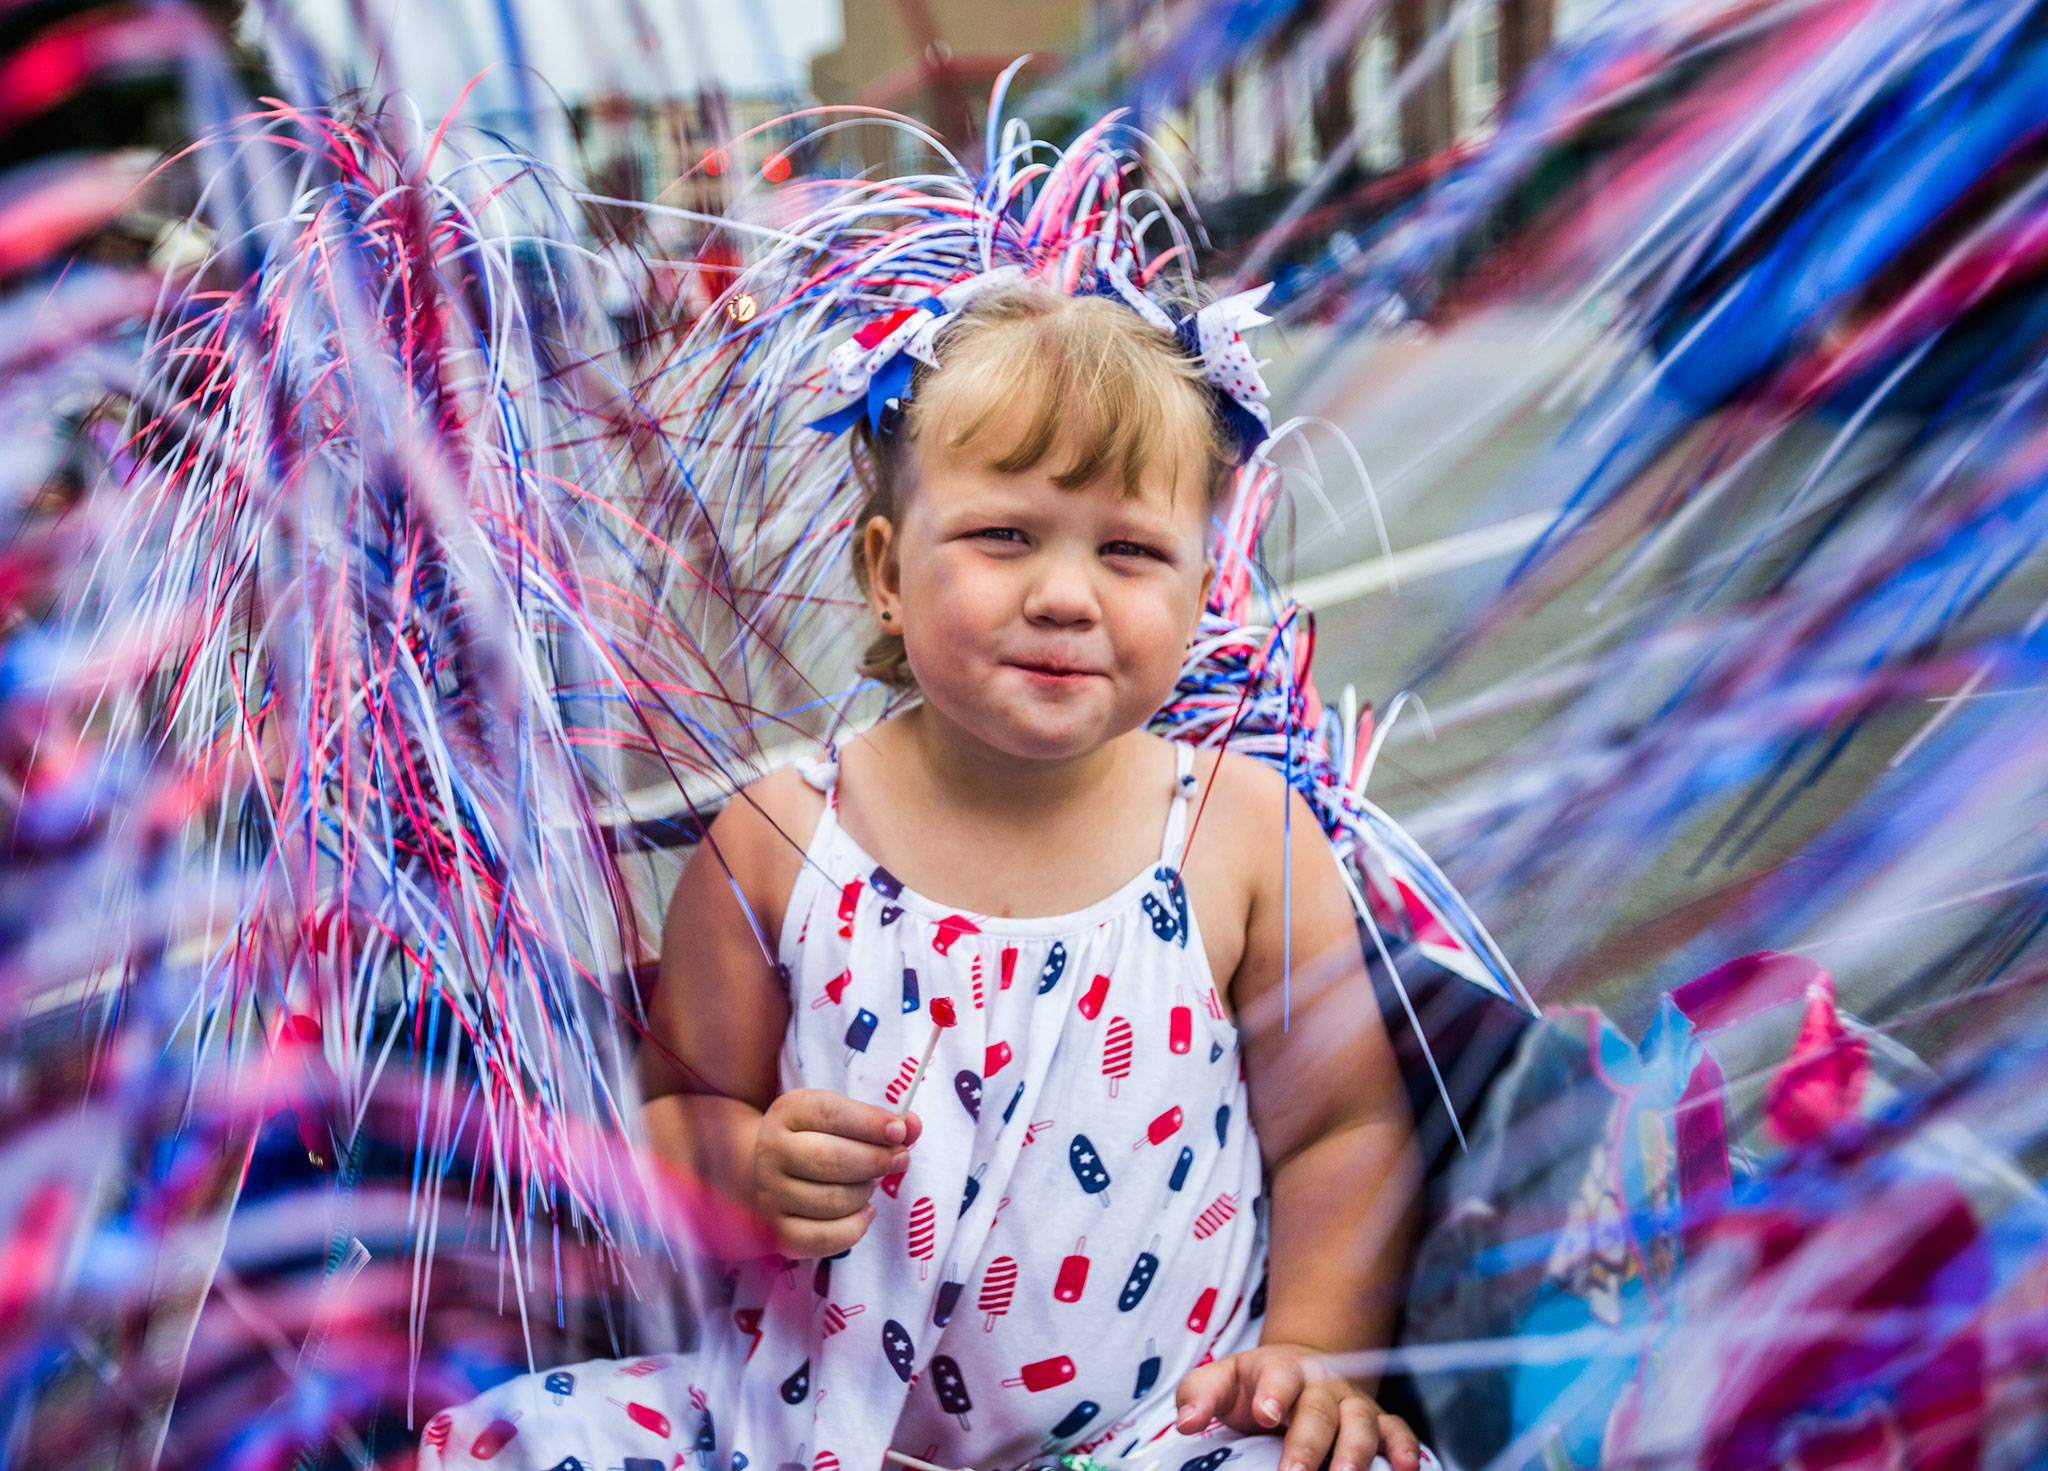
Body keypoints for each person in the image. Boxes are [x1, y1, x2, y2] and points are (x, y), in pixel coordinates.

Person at [422, 104, 1464, 1471]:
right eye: (1004, 534)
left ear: (1206, 587)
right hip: (804, 1431)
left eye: (1131, 554)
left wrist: (1313, 1360)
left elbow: (1338, 1130)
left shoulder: (1242, 832)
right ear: (884, 573)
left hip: (1160, 1436)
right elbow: (673, 1113)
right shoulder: (780, 842)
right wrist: (745, 1168)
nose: (1064, 595)